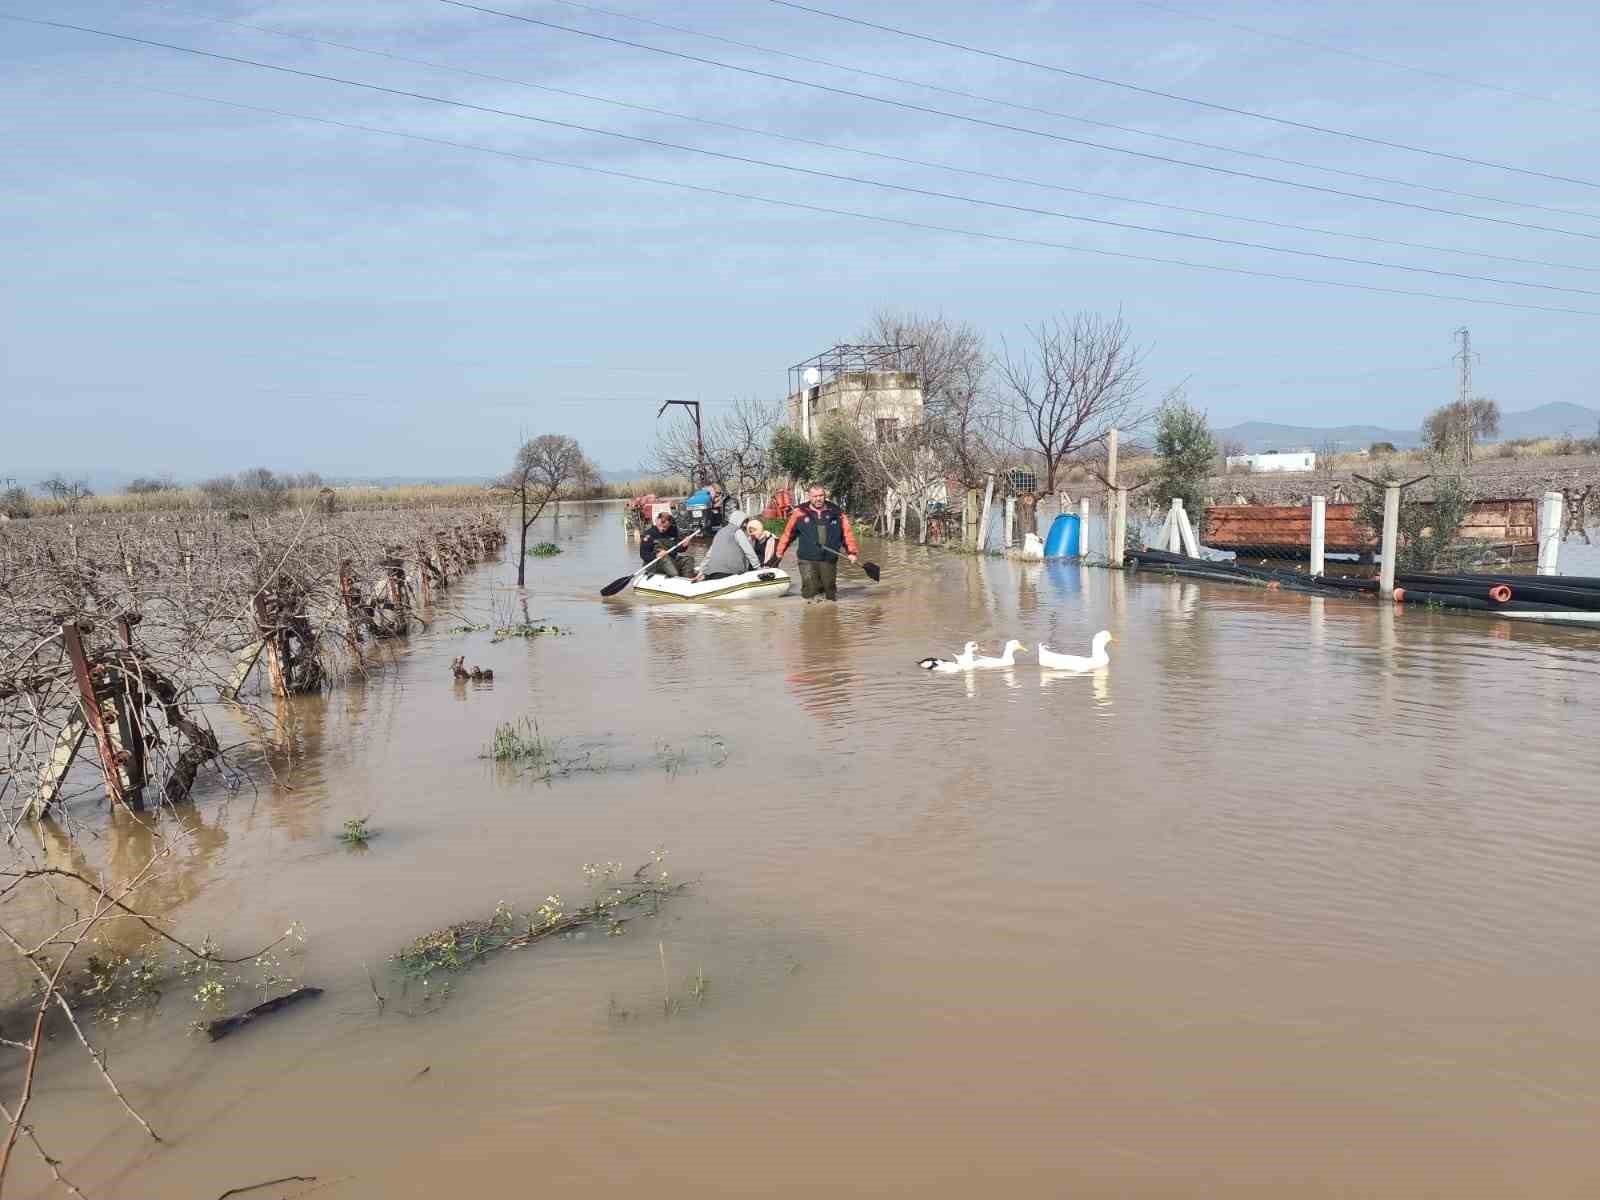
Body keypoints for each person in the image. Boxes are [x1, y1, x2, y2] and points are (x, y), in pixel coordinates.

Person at [775, 484, 858, 601]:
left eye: (821, 495)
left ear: (825, 496)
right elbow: (788, 534)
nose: (818, 498)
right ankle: (810, 613)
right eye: (815, 496)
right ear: (809, 496)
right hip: (806, 558)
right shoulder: (799, 512)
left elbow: (847, 533)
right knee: (809, 590)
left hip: (829, 558)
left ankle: (829, 614)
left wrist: (852, 552)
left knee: (829, 591)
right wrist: (780, 551)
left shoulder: (837, 512)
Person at [695, 508, 761, 579]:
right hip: (731, 572)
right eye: (744, 522)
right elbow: (748, 550)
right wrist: (757, 567)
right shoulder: (737, 531)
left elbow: (709, 554)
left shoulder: (719, 532)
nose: (745, 525)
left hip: (712, 573)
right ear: (738, 521)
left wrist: (701, 570)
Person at [639, 510, 690, 577]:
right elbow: (643, 555)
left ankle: (688, 578)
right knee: (666, 560)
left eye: (665, 526)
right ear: (657, 520)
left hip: (672, 560)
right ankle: (674, 575)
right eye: (661, 523)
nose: (663, 527)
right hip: (655, 563)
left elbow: (678, 549)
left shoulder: (673, 531)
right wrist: (656, 555)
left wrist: (684, 545)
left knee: (689, 559)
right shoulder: (649, 534)